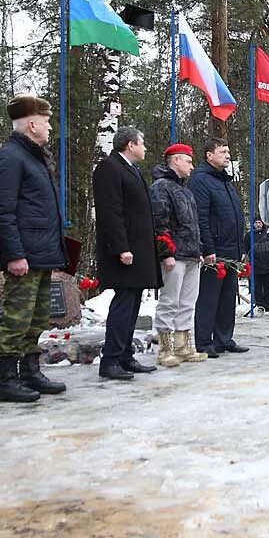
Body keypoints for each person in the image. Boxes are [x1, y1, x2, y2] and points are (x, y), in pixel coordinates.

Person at [0, 95, 69, 399]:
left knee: (36, 316)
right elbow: (2, 212)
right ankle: (7, 380)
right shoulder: (8, 158)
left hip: (41, 252)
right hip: (25, 255)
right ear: (32, 124)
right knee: (17, 317)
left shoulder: (34, 157)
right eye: (46, 122)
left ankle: (30, 371)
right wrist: (15, 254)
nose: (50, 127)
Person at [92, 126, 163, 378]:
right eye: (142, 143)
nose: (145, 148)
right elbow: (111, 211)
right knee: (123, 304)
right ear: (130, 145)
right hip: (124, 252)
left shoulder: (131, 169)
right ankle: (110, 360)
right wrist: (121, 247)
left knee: (132, 305)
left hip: (138, 251)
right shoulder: (109, 168)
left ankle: (124, 355)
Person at [189, 137, 249, 356]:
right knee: (209, 296)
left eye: (228, 151)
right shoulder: (201, 180)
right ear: (209, 155)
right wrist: (208, 248)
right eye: (223, 151)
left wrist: (241, 247)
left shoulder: (224, 180)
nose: (228, 155)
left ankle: (224, 338)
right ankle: (204, 341)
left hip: (231, 249)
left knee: (227, 297)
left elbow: (233, 215)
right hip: (214, 250)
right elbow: (201, 217)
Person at [149, 143, 208, 366]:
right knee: (169, 301)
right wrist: (165, 252)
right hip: (175, 255)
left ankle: (183, 345)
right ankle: (165, 349)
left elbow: (192, 224)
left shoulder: (185, 190)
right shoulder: (161, 187)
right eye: (188, 161)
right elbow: (159, 222)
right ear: (175, 160)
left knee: (187, 302)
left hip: (191, 254)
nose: (192, 166)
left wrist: (199, 249)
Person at [244, 217, 269, 311]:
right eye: (256, 223)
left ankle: (268, 304)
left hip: (268, 264)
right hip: (255, 265)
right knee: (257, 287)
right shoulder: (249, 236)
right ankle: (259, 305)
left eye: (260, 222)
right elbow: (246, 249)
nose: (258, 224)